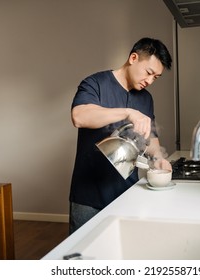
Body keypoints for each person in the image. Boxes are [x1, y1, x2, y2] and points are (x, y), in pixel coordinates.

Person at [69, 37, 173, 234]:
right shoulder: (95, 83)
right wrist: (128, 112)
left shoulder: (146, 98)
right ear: (133, 58)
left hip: (128, 193)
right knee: (82, 258)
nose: (149, 81)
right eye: (149, 73)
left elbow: (149, 137)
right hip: (89, 195)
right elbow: (79, 116)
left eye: (155, 78)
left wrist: (158, 158)